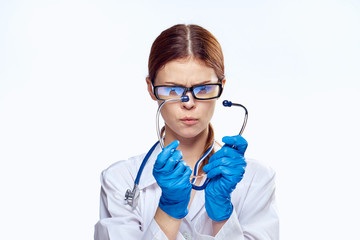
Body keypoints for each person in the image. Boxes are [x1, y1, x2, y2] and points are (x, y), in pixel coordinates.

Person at [94, 24, 279, 240]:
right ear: (151, 88)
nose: (189, 103)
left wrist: (222, 215)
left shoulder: (257, 179)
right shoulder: (120, 180)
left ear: (222, 86)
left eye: (202, 89)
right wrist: (169, 209)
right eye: (173, 90)